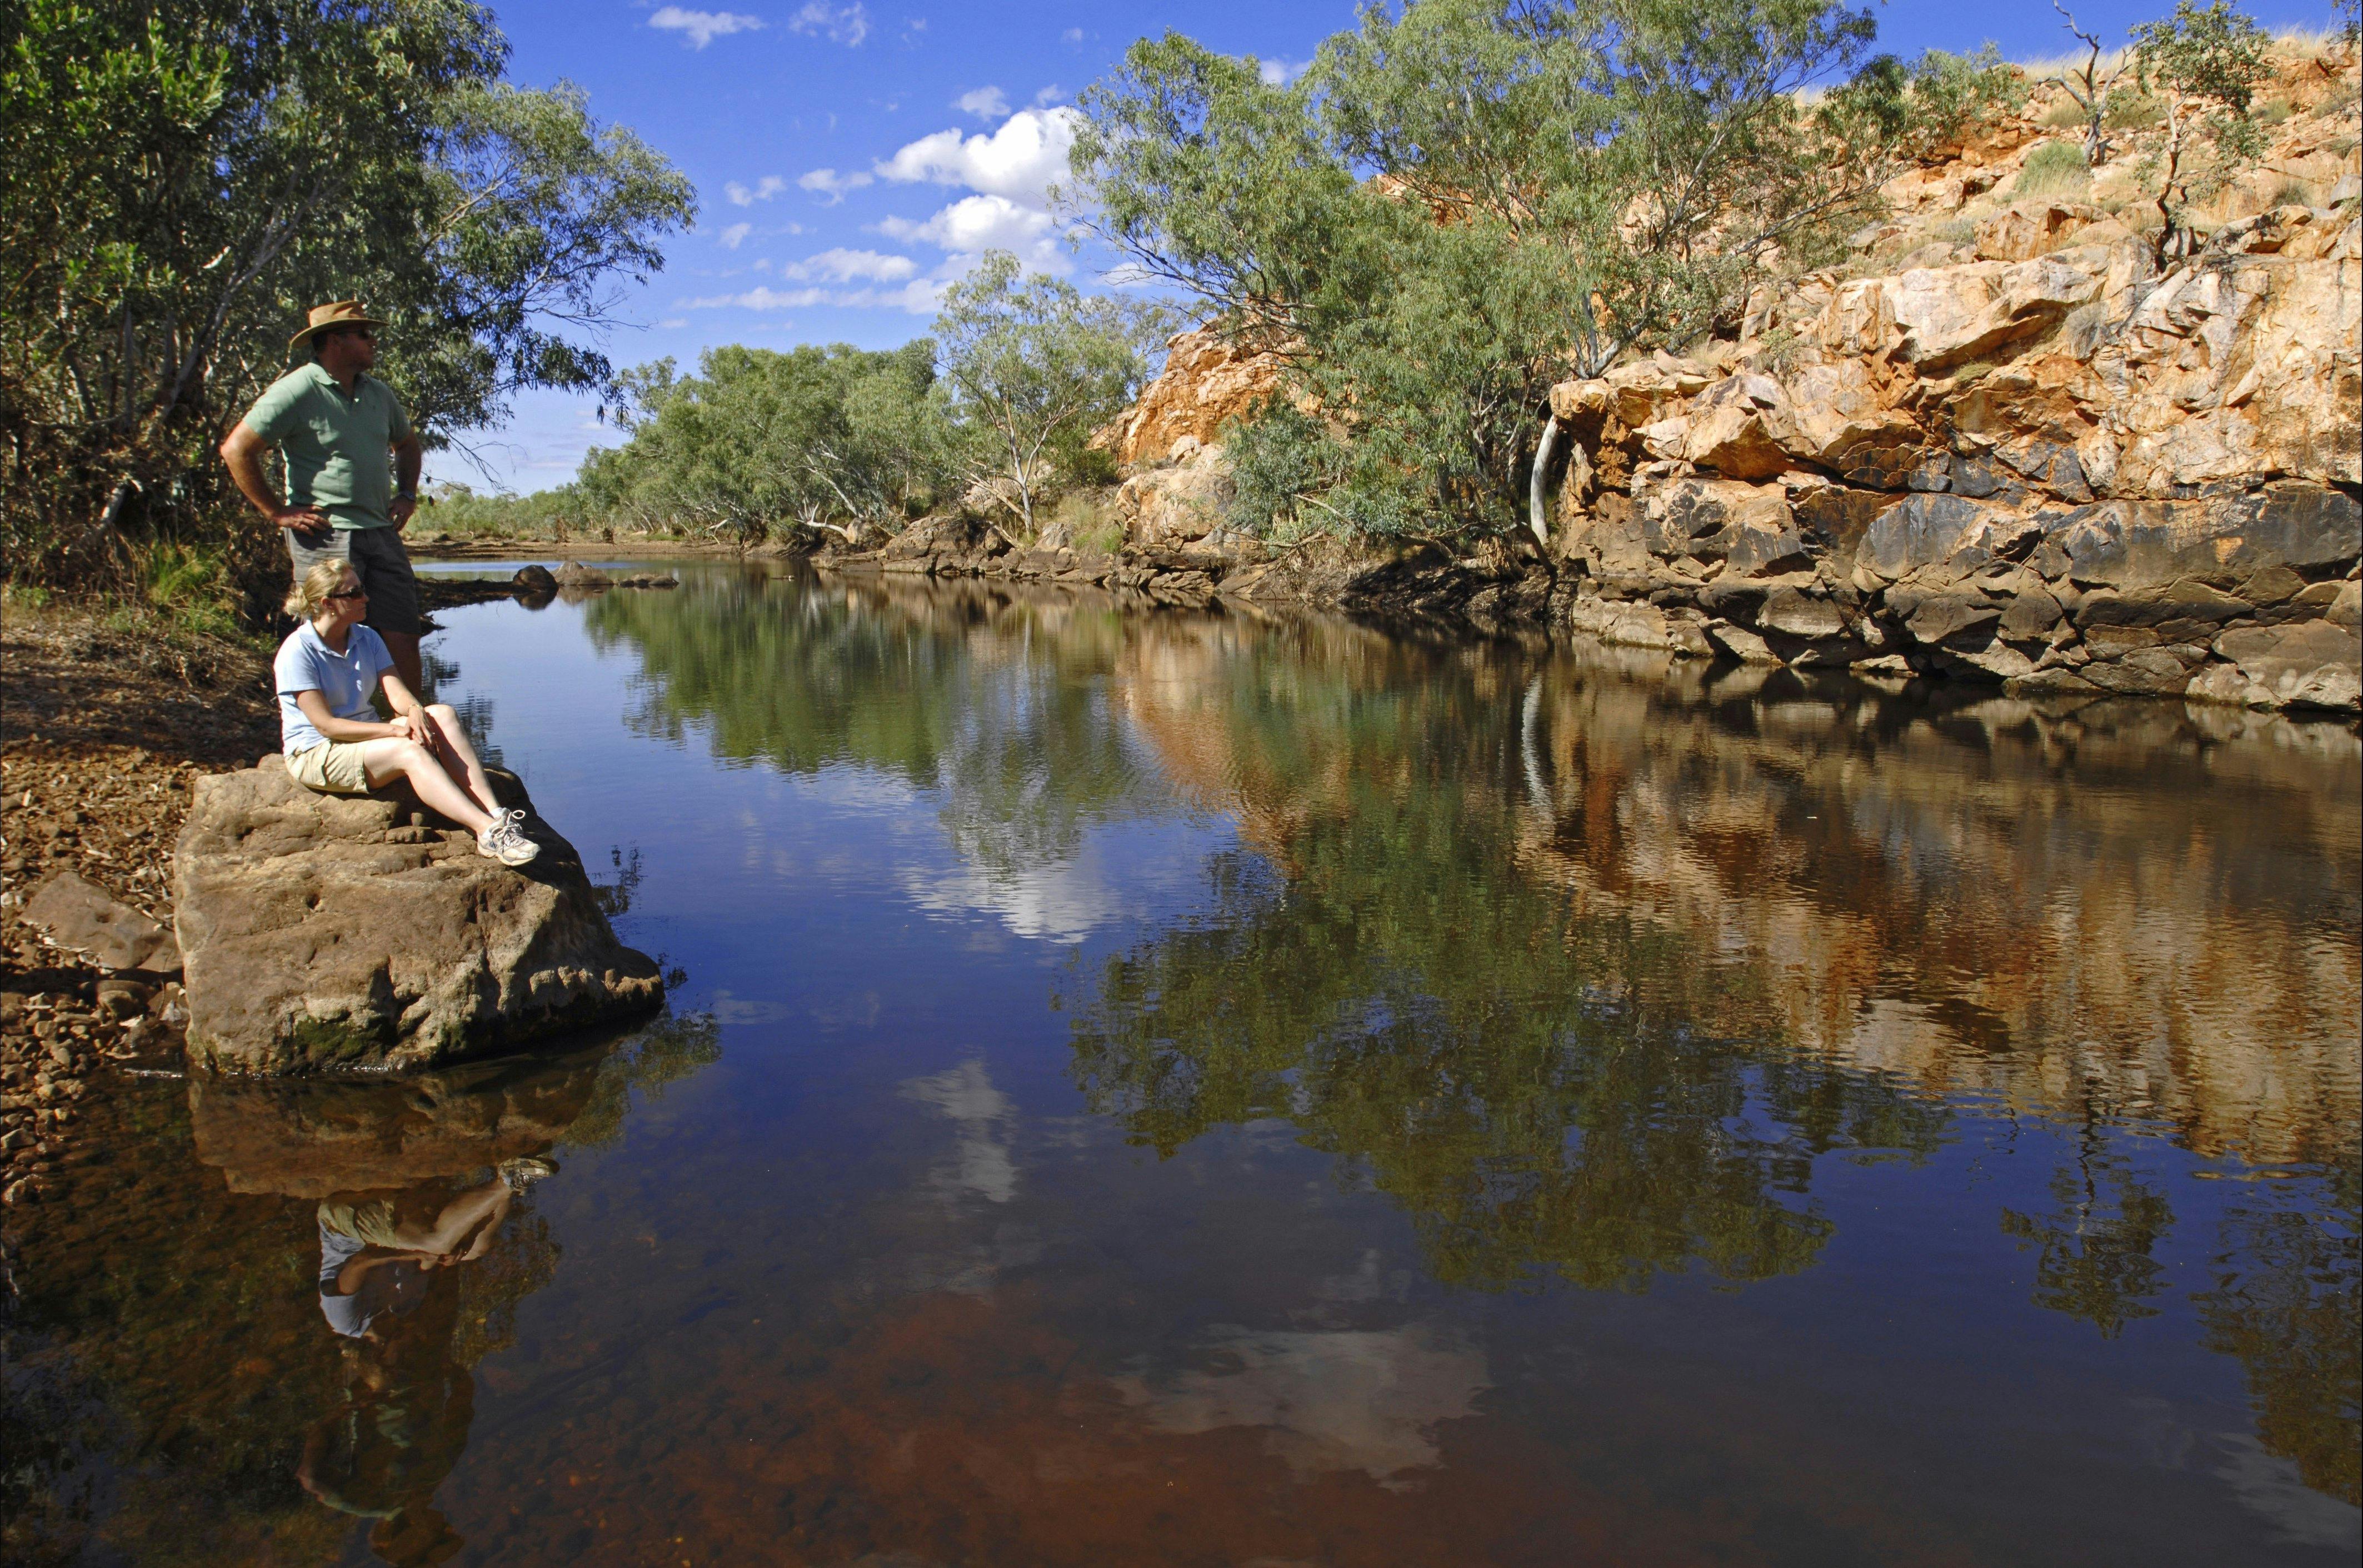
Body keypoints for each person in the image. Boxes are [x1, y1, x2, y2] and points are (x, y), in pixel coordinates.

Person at [221, 299, 428, 695]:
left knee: (403, 629)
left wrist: (406, 493)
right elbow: (237, 450)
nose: (373, 342)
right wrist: (276, 512)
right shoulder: (298, 390)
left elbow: (408, 445)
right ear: (334, 341)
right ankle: (329, 733)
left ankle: (417, 727)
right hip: (325, 536)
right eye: (364, 334)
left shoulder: (379, 394)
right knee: (327, 633)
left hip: (380, 530)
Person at [276, 558, 539, 867]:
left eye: (362, 590)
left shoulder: (367, 637)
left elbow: (396, 691)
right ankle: (486, 832)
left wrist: (414, 710)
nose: (366, 597)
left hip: (363, 740)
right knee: (408, 752)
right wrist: (393, 730)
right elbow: (327, 726)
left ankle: (496, 815)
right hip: (316, 752)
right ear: (327, 603)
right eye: (355, 593)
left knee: (442, 714)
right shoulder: (298, 651)